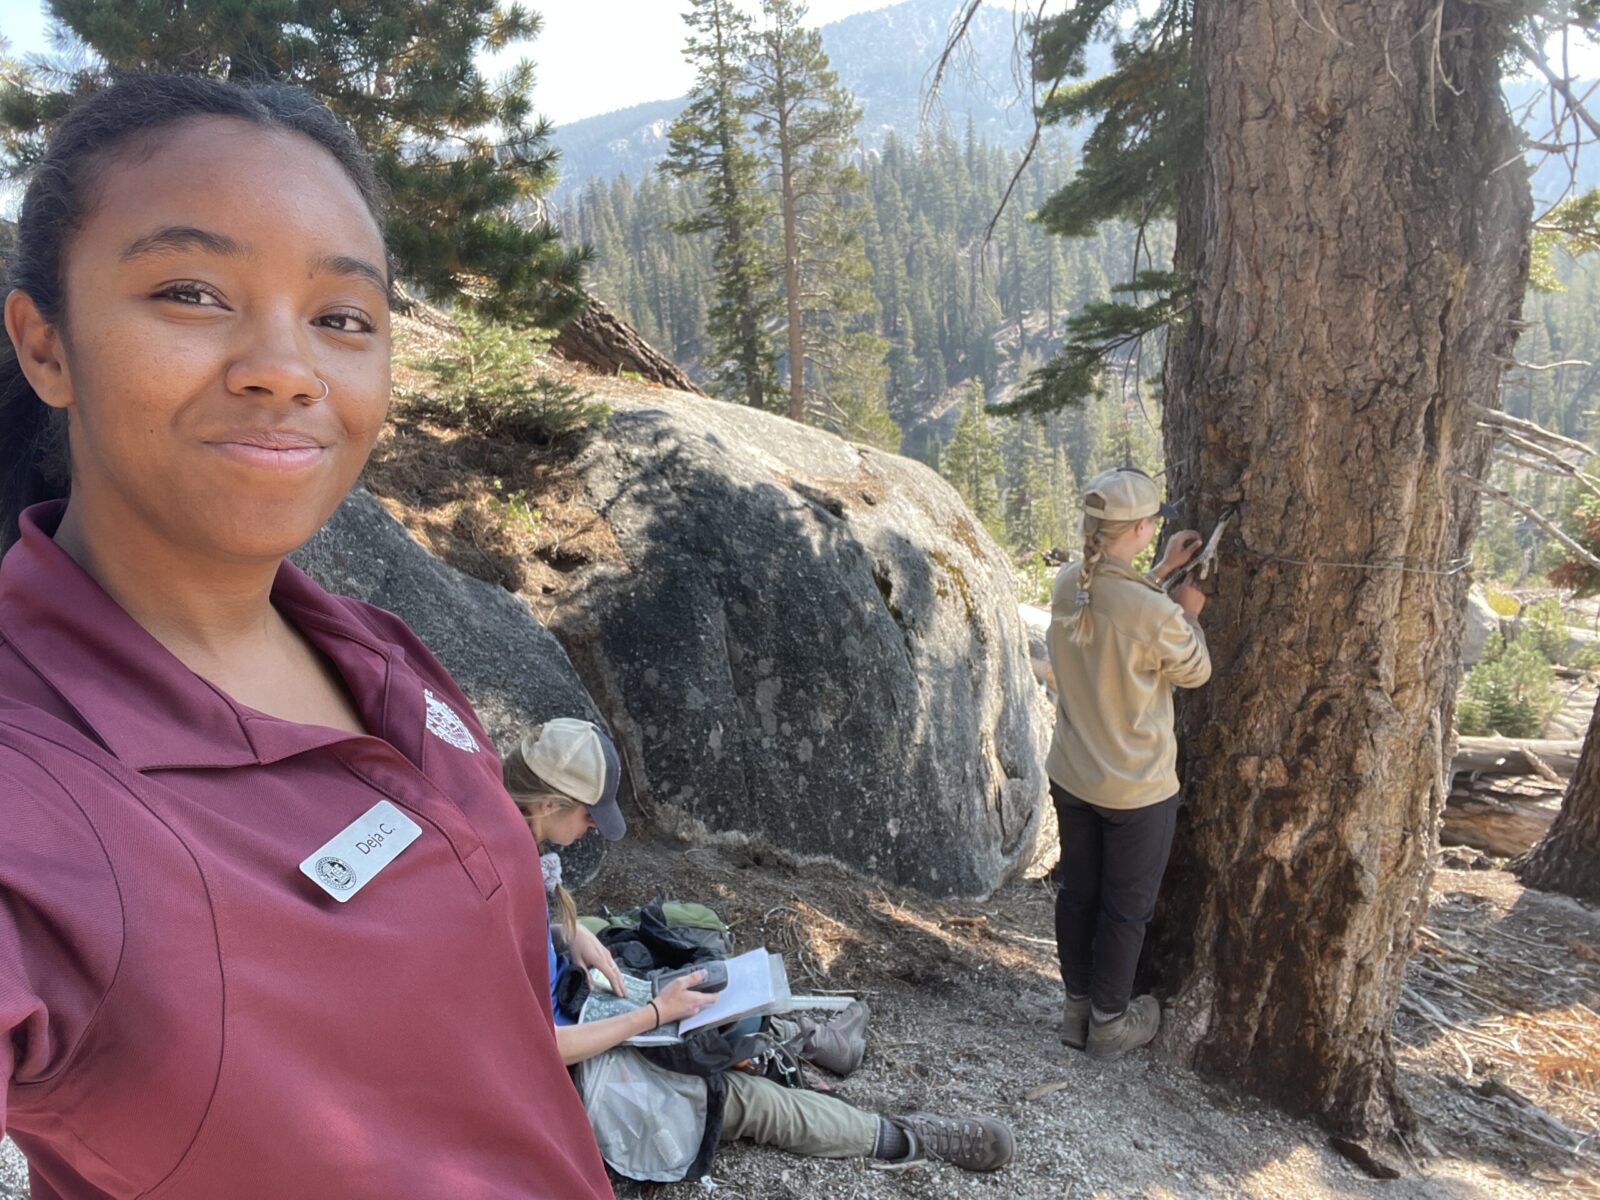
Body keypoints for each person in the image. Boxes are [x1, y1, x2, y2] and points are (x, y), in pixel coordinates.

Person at [0, 75, 612, 1198]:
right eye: (191, 291)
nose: (287, 367)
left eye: (342, 318)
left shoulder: (378, 652)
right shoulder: (31, 776)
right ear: (46, 347)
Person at [505, 718, 1017, 1175]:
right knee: (745, 1103)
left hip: (579, 1004)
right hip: (566, 1070)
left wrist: (569, 934)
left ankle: (798, 1036)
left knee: (698, 984)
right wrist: (653, 1016)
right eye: (589, 816)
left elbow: (522, 940)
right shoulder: (499, 871)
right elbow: (535, 1047)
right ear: (550, 804)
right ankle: (905, 1137)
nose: (592, 826)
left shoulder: (505, 841)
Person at [1046, 467, 1211, 1059]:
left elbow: (1115, 607)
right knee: (1126, 909)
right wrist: (1187, 611)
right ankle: (1110, 1024)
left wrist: (1162, 575)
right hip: (1135, 789)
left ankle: (1075, 1011)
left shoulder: (1071, 582)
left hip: (1073, 773)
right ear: (1142, 528)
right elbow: (1195, 671)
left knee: (1079, 894)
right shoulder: (1156, 614)